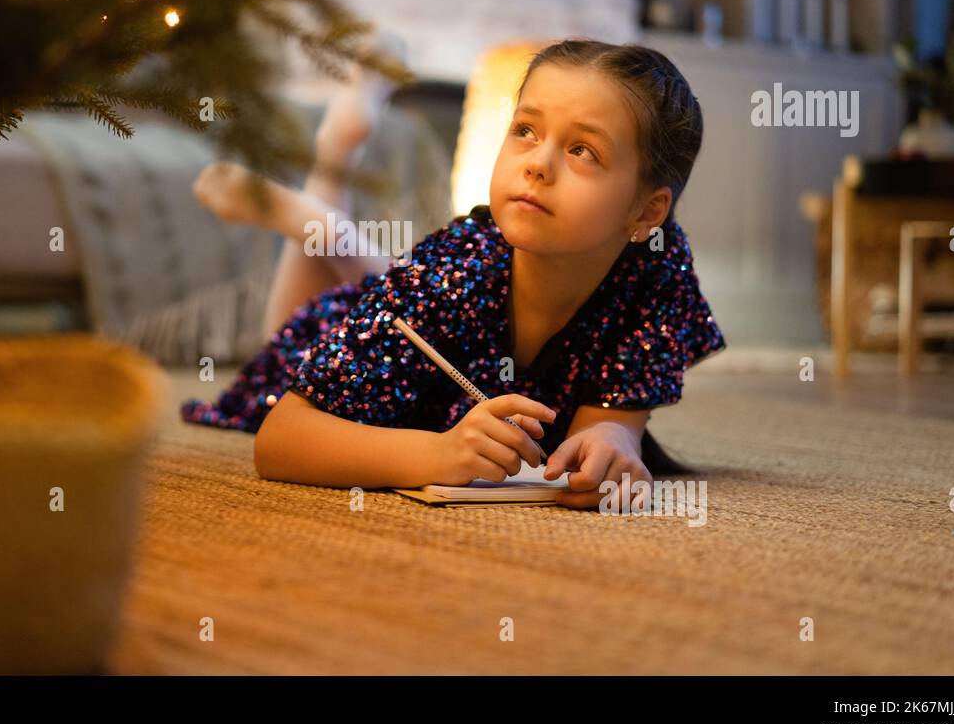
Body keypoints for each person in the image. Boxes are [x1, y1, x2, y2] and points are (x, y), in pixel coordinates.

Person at [181, 38, 725, 509]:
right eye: (526, 130)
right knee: (314, 317)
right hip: (332, 337)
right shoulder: (454, 267)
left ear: (648, 212)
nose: (538, 163)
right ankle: (328, 179)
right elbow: (280, 440)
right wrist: (436, 453)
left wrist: (612, 443)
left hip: (406, 302)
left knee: (391, 286)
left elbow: (612, 417)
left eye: (583, 149)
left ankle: (325, 209)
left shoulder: (660, 268)